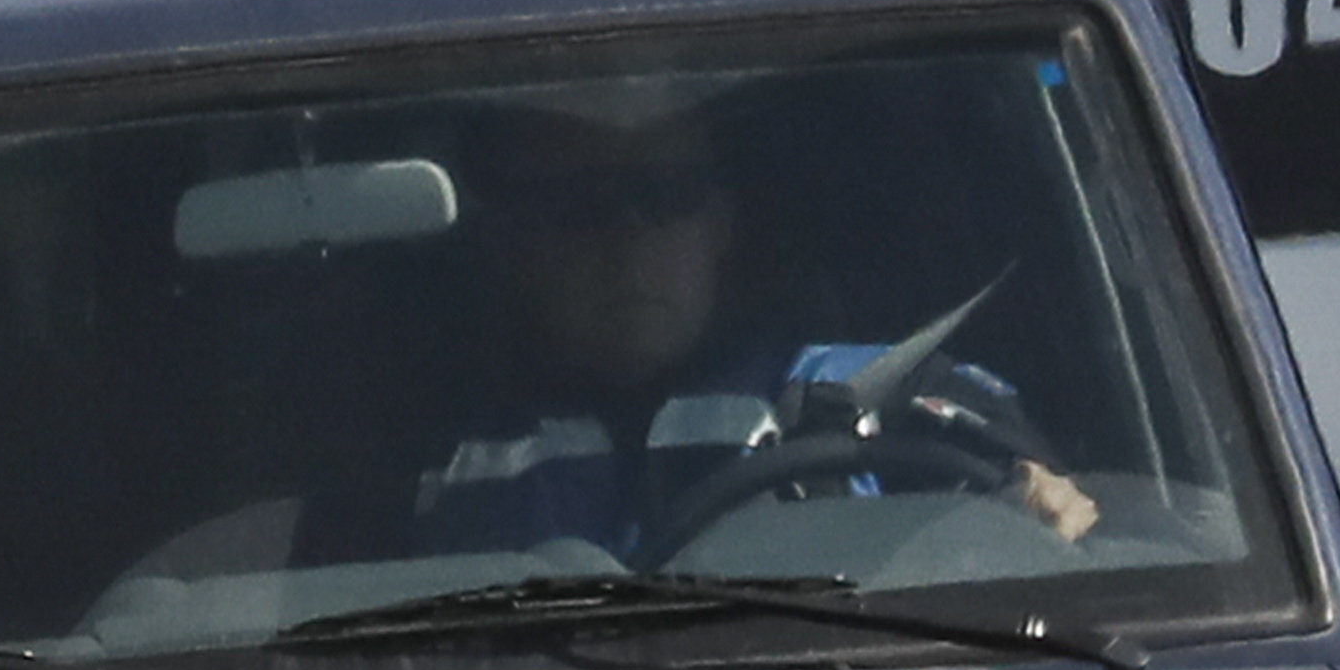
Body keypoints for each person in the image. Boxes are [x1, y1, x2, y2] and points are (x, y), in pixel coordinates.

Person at [414, 94, 1096, 564]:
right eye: (579, 207)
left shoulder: (880, 399)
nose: (630, 242)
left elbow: (1052, 515)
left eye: (670, 195)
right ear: (514, 241)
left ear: (722, 225)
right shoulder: (437, 455)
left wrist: (1036, 507)